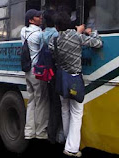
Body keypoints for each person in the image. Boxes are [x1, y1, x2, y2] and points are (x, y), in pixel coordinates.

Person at [48, 12, 103, 157]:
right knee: (77, 113)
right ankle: (71, 148)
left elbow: (53, 55)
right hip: (74, 79)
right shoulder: (76, 36)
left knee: (65, 110)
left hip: (61, 79)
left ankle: (67, 140)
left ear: (57, 26)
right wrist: (92, 32)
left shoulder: (53, 40)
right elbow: (97, 43)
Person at [20, 9, 50, 140]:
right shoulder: (39, 34)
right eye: (37, 17)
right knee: (41, 101)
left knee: (31, 101)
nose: (41, 18)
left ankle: (29, 131)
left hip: (27, 71)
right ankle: (40, 131)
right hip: (37, 72)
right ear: (31, 20)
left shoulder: (23, 31)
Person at [41, 9, 64, 144]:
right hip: (56, 72)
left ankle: (50, 132)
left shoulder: (42, 34)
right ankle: (54, 135)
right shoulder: (56, 34)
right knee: (57, 105)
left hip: (46, 72)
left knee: (50, 103)